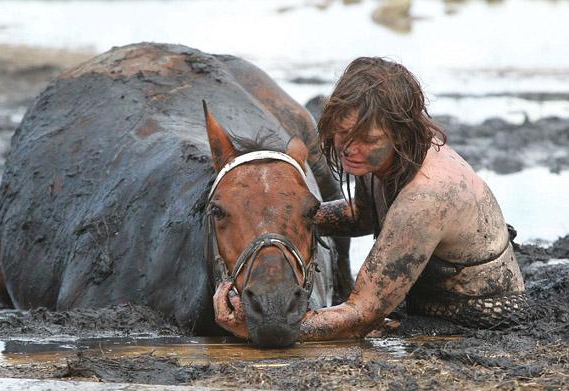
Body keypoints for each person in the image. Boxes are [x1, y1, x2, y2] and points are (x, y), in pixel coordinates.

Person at [214, 57, 527, 340]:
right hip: (424, 305)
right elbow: (363, 215)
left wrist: (264, 325)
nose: (350, 148)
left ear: (402, 133)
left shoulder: (428, 195)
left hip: (478, 320)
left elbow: (362, 314)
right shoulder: (382, 157)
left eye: (368, 139)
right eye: (343, 133)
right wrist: (284, 220)